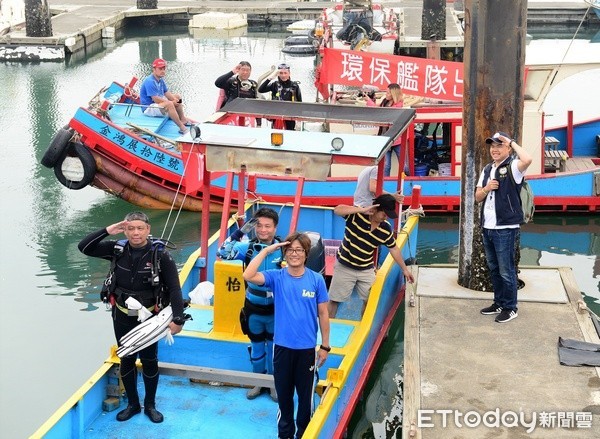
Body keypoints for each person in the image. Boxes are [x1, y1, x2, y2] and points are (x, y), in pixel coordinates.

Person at [78, 211, 187, 423]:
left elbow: (175, 289)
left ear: (148, 230)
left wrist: (178, 319)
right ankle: (133, 404)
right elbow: (84, 247)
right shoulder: (116, 249)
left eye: (140, 228)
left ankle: (150, 405)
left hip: (149, 318)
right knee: (126, 358)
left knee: (149, 360)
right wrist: (108, 230)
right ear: (125, 230)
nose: (135, 233)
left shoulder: (160, 255)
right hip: (121, 314)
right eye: (130, 228)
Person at [242, 232, 330, 439]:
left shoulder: (316, 280)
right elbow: (248, 275)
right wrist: (266, 250)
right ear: (284, 253)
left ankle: (304, 434)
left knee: (306, 399)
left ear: (307, 254)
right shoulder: (276, 277)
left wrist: (325, 346)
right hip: (282, 349)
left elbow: (324, 314)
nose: (294, 254)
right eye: (290, 250)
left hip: (307, 350)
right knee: (284, 399)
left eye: (299, 250)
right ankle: (285, 435)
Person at [216, 207, 282, 401]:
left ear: (275, 227)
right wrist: (240, 232)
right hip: (253, 308)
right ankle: (257, 382)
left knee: (274, 347)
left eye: (267, 226)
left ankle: (273, 384)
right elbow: (222, 252)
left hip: (276, 309)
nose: (263, 230)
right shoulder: (248, 248)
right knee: (256, 347)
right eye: (259, 226)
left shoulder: (285, 249)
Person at [328, 194, 415, 318]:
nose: (385, 218)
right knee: (334, 300)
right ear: (375, 209)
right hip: (345, 266)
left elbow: (394, 248)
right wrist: (361, 209)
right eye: (384, 214)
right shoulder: (356, 216)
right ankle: (326, 328)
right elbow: (337, 210)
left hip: (366, 268)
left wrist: (405, 269)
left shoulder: (385, 229)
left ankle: (362, 327)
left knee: (370, 301)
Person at [476, 132, 532, 323]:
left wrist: (512, 142)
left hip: (506, 227)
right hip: (488, 226)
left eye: (499, 145)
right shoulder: (486, 169)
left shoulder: (514, 167)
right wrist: (486, 188)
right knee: (493, 268)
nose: (495, 149)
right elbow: (477, 197)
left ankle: (511, 307)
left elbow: (528, 159)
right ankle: (499, 302)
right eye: (492, 145)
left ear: (507, 148)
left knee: (506, 270)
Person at [139, 58, 190, 134]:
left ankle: (183, 119)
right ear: (154, 69)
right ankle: (182, 127)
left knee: (178, 97)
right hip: (149, 107)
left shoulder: (160, 79)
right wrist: (171, 102)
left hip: (158, 104)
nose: (162, 71)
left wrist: (174, 100)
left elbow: (166, 92)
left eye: (164, 69)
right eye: (160, 69)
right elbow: (156, 99)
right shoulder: (150, 81)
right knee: (169, 104)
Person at [365, 83, 404, 176]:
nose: (386, 94)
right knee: (386, 165)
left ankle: (409, 181)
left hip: (396, 139)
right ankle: (384, 185)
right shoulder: (385, 102)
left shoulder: (398, 106)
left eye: (388, 93)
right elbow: (379, 111)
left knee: (404, 165)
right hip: (385, 139)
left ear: (393, 94)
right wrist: (370, 100)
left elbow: (383, 114)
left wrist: (369, 101)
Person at [258, 63, 302, 130]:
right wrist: (269, 78)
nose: (283, 75)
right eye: (281, 73)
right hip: (277, 115)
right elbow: (261, 90)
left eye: (285, 73)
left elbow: (299, 102)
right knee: (276, 134)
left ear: (289, 74)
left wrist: (299, 118)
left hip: (290, 115)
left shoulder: (294, 86)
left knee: (290, 133)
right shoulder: (274, 85)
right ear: (278, 74)